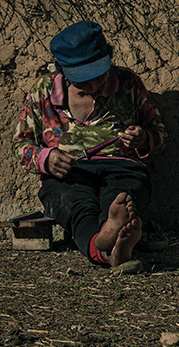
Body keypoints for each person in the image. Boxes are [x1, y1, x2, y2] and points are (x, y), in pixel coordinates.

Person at [11, 21, 167, 272]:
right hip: (69, 173)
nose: (93, 86)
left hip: (121, 167)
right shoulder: (44, 90)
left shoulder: (128, 83)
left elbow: (158, 132)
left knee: (122, 197)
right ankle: (110, 247)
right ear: (63, 71)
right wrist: (45, 157)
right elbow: (20, 143)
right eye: (82, 80)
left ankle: (109, 238)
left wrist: (143, 139)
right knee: (74, 203)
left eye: (98, 75)